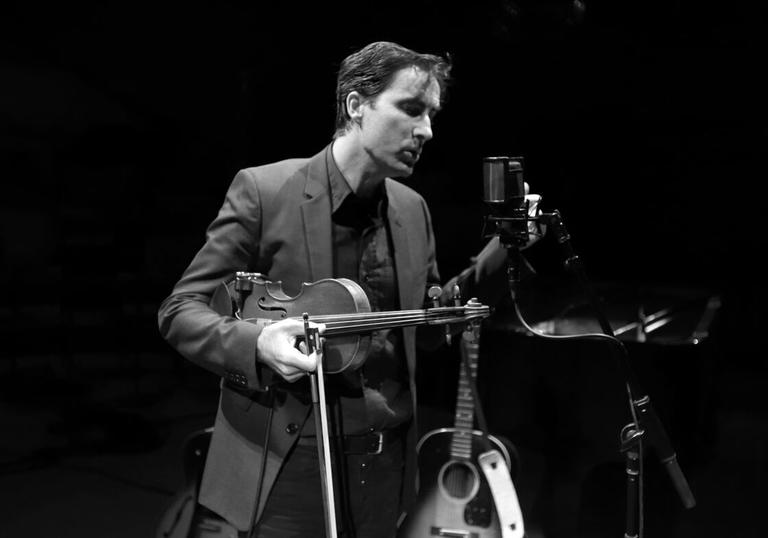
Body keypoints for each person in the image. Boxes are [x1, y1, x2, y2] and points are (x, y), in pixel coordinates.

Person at [157, 40, 536, 538]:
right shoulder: (264, 190)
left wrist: (504, 252)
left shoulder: (411, 208)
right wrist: (258, 344)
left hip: (386, 466)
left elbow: (427, 325)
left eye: (432, 115)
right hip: (288, 467)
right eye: (411, 109)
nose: (427, 130)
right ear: (356, 105)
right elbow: (180, 310)